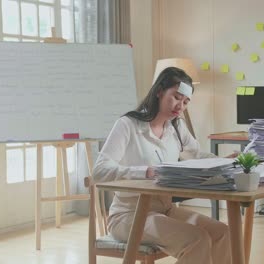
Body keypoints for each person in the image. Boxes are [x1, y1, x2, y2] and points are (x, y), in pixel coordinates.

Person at [92, 67, 232, 264]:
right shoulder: (128, 124)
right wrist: (143, 172)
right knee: (196, 240)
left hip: (166, 210)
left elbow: (198, 156)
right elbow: (99, 171)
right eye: (176, 97)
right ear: (159, 91)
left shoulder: (176, 126)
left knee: (221, 232)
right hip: (128, 215)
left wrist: (228, 161)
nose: (180, 106)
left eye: (185, 102)